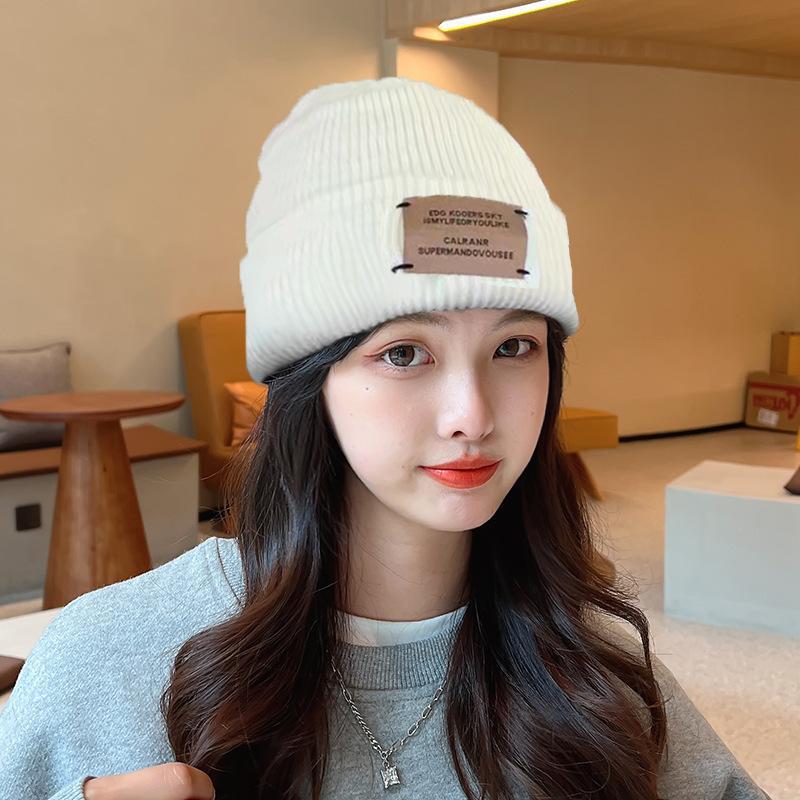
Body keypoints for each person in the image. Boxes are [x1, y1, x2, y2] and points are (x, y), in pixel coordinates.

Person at [0, 77, 772, 800]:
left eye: (514, 347)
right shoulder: (110, 660)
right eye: (404, 353)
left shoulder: (592, 667)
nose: (471, 415)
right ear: (310, 381)